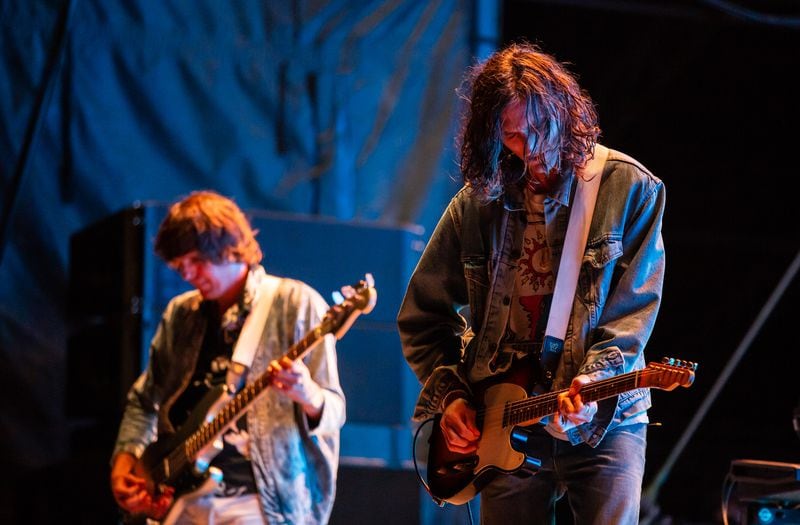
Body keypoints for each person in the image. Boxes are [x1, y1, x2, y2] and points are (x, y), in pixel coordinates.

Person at [398, 42, 665, 524]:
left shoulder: (629, 188)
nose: (535, 148)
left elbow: (633, 313)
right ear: (493, 138)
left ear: (565, 111)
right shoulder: (475, 206)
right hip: (502, 421)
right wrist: (453, 396)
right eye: (516, 137)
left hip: (604, 422)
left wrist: (596, 380)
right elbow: (422, 317)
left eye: (544, 129)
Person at [110, 190, 346, 524]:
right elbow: (144, 400)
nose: (187, 274)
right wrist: (125, 457)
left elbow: (335, 410)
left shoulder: (296, 303)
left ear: (230, 248)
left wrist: (306, 392)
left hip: (260, 504)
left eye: (197, 262)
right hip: (181, 501)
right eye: (180, 266)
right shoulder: (181, 313)